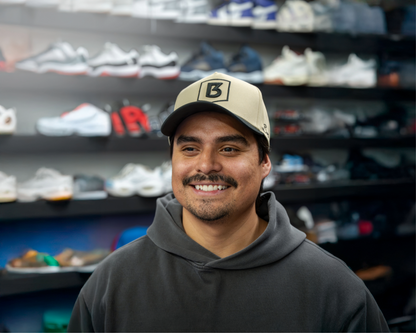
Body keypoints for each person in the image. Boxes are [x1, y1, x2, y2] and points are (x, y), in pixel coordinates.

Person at [68, 72, 389, 332]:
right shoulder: (112, 282)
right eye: (190, 149)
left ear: (265, 162)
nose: (205, 165)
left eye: (229, 149)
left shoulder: (333, 288)